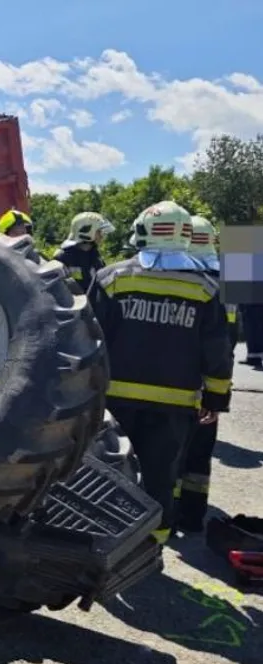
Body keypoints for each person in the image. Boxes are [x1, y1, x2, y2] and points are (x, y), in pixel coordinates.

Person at [89, 201, 234, 542]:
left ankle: (107, 542)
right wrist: (215, 397)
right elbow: (218, 351)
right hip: (174, 407)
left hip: (112, 405)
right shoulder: (205, 289)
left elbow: (88, 340)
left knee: (109, 475)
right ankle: (151, 548)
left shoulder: (112, 279)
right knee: (160, 479)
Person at [172, 216, 240, 532]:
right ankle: (193, 514)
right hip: (210, 380)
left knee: (172, 453)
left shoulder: (183, 279)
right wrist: (217, 392)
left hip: (179, 380)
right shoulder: (226, 278)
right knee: (199, 456)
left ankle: (168, 515)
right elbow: (232, 337)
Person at [50, 211, 115, 292]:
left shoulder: (94, 255)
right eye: (99, 231)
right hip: (74, 303)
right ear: (87, 232)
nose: (102, 236)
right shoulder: (62, 257)